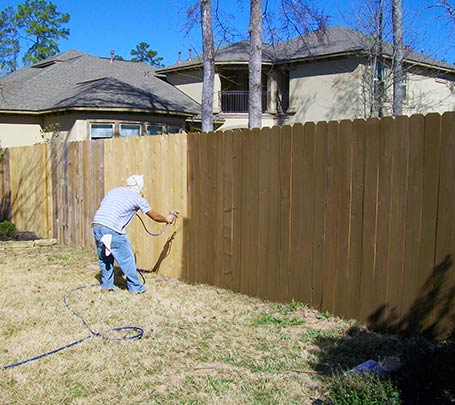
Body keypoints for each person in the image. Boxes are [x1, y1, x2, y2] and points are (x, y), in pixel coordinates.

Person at [92, 174, 178, 293]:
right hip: (113, 229)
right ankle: (135, 287)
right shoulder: (138, 199)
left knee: (105, 257)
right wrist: (167, 219)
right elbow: (154, 216)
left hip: (97, 224)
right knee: (127, 258)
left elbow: (102, 207)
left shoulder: (114, 191)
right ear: (139, 187)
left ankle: (107, 285)